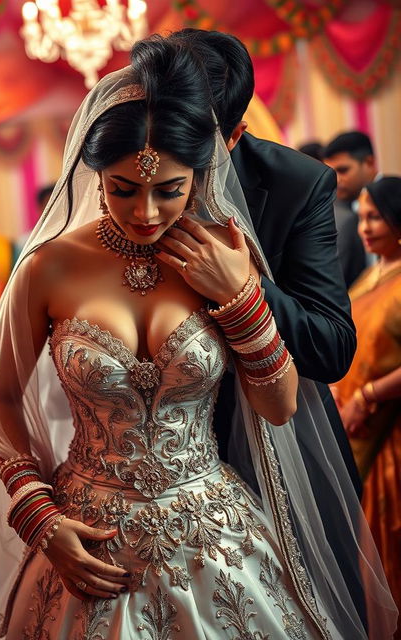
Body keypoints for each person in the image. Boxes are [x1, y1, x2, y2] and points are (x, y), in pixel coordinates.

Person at [0, 37, 396, 639]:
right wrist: (36, 512)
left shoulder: (220, 249)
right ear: (95, 174)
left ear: (210, 163)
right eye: (122, 189)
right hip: (88, 520)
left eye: (169, 190)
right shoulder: (50, 266)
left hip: (211, 525)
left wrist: (243, 297)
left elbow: (280, 405)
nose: (144, 212)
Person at [167, 27, 368, 624]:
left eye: (190, 144)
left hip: (277, 445)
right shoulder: (125, 177)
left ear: (232, 134)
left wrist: (243, 290)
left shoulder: (295, 185)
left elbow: (332, 347)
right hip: (159, 449)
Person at [331, 177, 401, 621]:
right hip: (357, 423)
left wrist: (369, 395)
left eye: (376, 216)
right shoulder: (373, 274)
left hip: (392, 436)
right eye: (362, 215)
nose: (364, 226)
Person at [324, 131, 377, 284]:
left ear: (369, 163)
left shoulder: (395, 198)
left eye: (343, 170)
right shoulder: (349, 208)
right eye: (331, 173)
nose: (336, 180)